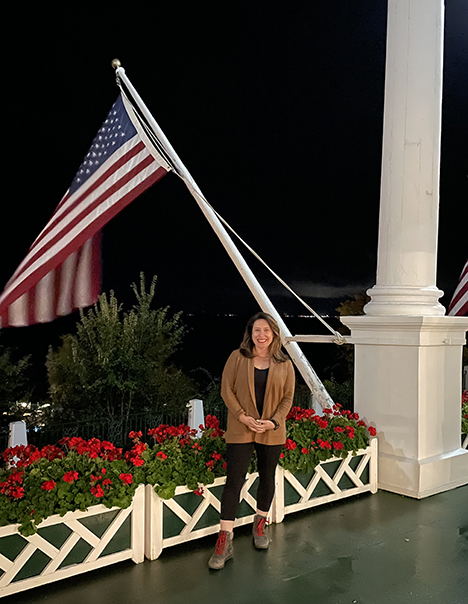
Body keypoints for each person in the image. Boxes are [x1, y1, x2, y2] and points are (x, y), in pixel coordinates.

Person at [208, 311, 295, 570]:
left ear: (274, 334)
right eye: (257, 330)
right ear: (250, 333)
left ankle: (260, 525)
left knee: (266, 476)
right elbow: (227, 389)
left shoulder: (285, 364)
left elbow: (288, 398)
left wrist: (274, 421)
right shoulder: (237, 358)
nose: (261, 335)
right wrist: (242, 417)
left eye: (266, 330)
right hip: (240, 428)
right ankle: (225, 539)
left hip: (272, 429)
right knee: (234, 479)